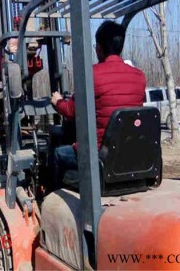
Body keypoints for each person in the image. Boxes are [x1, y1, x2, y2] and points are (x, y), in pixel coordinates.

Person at [50, 20, 146, 189]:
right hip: (130, 152)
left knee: (58, 153)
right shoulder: (139, 76)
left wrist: (57, 101)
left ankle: (58, 197)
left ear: (99, 48)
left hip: (101, 154)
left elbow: (71, 111)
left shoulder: (91, 74)